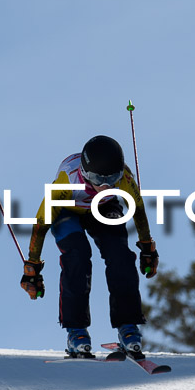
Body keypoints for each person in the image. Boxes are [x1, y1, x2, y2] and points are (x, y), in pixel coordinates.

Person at [20, 135, 159, 357]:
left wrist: (147, 247)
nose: (105, 185)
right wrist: (32, 268)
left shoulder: (125, 180)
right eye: (97, 178)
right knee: (77, 256)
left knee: (120, 255)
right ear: (85, 173)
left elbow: (138, 209)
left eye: (112, 178)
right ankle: (76, 332)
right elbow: (41, 224)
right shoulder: (66, 181)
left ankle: (128, 327)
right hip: (67, 210)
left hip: (103, 208)